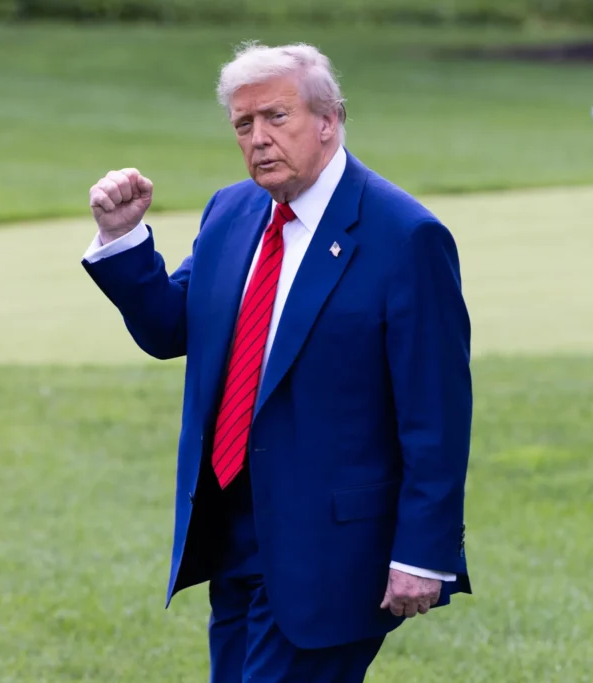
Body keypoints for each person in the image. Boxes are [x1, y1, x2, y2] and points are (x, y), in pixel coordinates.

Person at [81, 41, 473, 683]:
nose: (258, 138)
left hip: (335, 552)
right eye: (244, 124)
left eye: (276, 117)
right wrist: (123, 241)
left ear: (329, 120)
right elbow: (172, 327)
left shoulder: (405, 236)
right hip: (231, 535)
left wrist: (425, 553)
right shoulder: (231, 212)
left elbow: (437, 412)